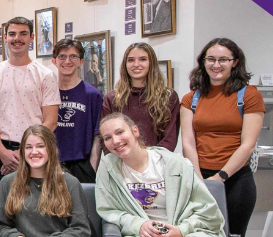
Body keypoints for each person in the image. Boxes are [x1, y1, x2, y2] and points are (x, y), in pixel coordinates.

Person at [180, 38, 263, 236]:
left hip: (236, 180)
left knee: (232, 233)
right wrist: (200, 179)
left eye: (223, 59)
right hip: (199, 179)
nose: (216, 65)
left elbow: (248, 145)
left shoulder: (249, 96)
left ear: (234, 62)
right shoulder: (191, 98)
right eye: (211, 59)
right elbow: (188, 142)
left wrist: (220, 177)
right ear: (203, 62)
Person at [96, 113, 225, 237]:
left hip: (185, 231)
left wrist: (181, 231)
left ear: (135, 131)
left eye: (120, 132)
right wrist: (139, 225)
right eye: (108, 137)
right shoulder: (107, 168)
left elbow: (209, 212)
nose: (116, 141)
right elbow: (109, 210)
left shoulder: (176, 164)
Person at [0, 16, 60, 208]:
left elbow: (51, 120)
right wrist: (3, 153)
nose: (17, 38)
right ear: (5, 37)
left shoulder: (45, 75)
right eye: (12, 34)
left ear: (32, 37)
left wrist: (25, 152)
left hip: (35, 152)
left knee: (35, 209)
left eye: (23, 34)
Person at [0, 125, 90, 236]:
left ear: (51, 149)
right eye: (28, 147)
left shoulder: (70, 183)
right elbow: (1, 227)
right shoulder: (7, 182)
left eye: (40, 146)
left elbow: (81, 229)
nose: (34, 152)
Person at [101, 42, 179, 151]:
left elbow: (169, 139)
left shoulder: (168, 96)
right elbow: (107, 138)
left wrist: (149, 162)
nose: (136, 64)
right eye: (131, 60)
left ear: (151, 63)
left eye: (142, 59)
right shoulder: (112, 99)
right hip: (121, 163)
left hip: (157, 163)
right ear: (125, 65)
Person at [50, 39, 103, 183]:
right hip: (50, 164)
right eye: (62, 56)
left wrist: (92, 167)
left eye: (73, 56)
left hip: (81, 166)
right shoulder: (47, 93)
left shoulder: (93, 95)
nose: (67, 61)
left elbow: (97, 136)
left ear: (81, 61)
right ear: (54, 61)